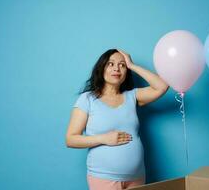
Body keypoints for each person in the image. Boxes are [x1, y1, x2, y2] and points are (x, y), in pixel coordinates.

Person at [66, 48, 168, 190]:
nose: (117, 69)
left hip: (136, 178)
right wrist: (103, 139)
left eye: (122, 65)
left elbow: (162, 87)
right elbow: (71, 139)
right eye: (111, 64)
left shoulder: (133, 96)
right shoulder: (87, 99)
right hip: (103, 178)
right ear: (101, 68)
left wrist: (133, 65)